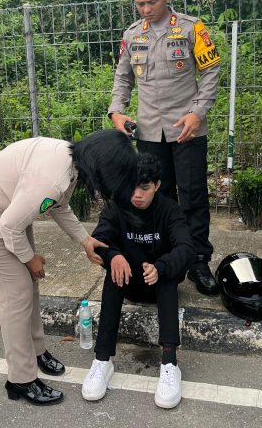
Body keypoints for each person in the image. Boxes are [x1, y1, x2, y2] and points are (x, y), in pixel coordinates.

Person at [0, 129, 137, 406]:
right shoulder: (52, 179)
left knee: (29, 284)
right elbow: (9, 226)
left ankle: (36, 351)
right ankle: (20, 380)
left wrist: (84, 240)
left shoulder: (70, 160)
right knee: (16, 291)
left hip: (6, 212)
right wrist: (29, 258)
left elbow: (58, 206)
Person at [108, 0, 221, 296]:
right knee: (157, 198)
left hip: (187, 129)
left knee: (193, 197)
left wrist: (197, 113)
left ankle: (199, 261)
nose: (146, 9)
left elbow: (211, 71)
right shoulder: (131, 35)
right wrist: (116, 111)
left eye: (152, 2)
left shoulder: (191, 28)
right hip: (148, 131)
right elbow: (123, 77)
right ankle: (164, 259)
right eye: (140, 4)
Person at [81, 152, 195, 409]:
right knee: (114, 275)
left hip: (158, 280)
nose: (137, 195)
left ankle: (169, 364)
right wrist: (112, 255)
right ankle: (102, 360)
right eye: (132, 186)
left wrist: (161, 267)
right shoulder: (116, 205)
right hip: (128, 280)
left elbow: (187, 248)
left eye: (144, 188)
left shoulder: (169, 209)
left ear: (156, 185)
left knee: (166, 278)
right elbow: (97, 240)